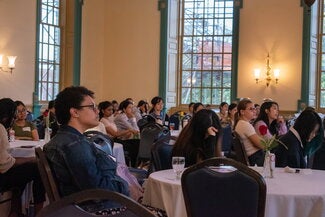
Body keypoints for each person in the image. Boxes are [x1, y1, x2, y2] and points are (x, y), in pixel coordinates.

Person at [43, 86, 129, 213]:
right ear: (75, 112)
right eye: (91, 107)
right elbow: (96, 191)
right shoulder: (75, 145)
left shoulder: (62, 139)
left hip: (77, 207)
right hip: (94, 209)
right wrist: (125, 186)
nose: (97, 111)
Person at [0, 98, 45, 216]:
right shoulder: (0, 129)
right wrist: (30, 159)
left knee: (23, 172)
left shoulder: (29, 124)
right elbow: (4, 164)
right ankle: (38, 212)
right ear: (7, 116)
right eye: (14, 114)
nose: (15, 118)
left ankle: (15, 209)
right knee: (39, 169)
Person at [234, 99, 265, 166]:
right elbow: (261, 145)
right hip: (255, 158)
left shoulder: (241, 123)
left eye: (254, 109)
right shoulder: (245, 125)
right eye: (251, 109)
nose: (254, 111)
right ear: (242, 112)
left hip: (254, 157)